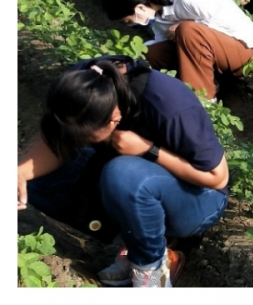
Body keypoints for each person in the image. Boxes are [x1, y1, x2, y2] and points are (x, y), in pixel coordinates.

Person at [17, 55, 229, 287]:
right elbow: (55, 139)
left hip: (197, 199)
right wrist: (18, 174)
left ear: (113, 119)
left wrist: (149, 150)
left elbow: (217, 178)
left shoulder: (169, 103)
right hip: (136, 186)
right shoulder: (85, 82)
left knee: (123, 173)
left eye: (85, 135)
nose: (77, 140)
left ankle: (152, 267)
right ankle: (133, 241)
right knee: (35, 183)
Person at [102, 0, 253, 101]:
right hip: (208, 51)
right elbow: (164, 43)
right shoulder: (156, 11)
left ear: (140, 8)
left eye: (128, 21)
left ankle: (203, 101)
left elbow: (230, 25)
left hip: (243, 50)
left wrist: (185, 26)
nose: (132, 24)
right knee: (149, 52)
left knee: (187, 30)